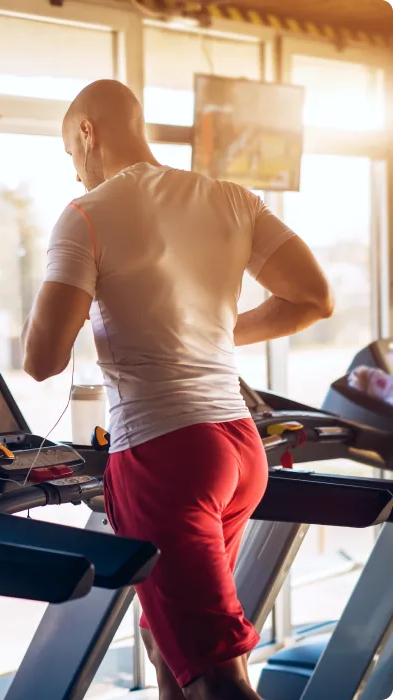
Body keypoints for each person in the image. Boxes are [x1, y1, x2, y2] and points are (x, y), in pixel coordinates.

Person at [21, 79, 333, 700]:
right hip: (239, 449)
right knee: (168, 642)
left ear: (87, 133)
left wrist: (76, 296)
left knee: (218, 674)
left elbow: (41, 361)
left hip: (166, 456)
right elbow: (313, 299)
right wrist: (210, 336)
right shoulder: (231, 198)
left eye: (70, 155)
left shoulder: (87, 215)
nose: (76, 174)